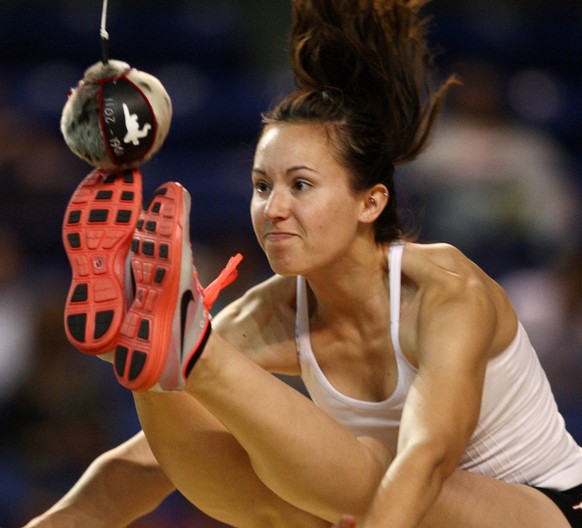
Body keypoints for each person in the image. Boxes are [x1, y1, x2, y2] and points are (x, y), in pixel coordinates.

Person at [25, 0, 582, 527]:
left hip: (544, 509)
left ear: (372, 202)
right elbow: (145, 465)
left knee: (362, 475)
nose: (274, 208)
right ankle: (160, 356)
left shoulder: (445, 288)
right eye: (262, 186)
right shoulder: (268, 315)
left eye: (301, 185)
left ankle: (194, 356)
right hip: (386, 511)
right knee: (258, 486)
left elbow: (429, 459)